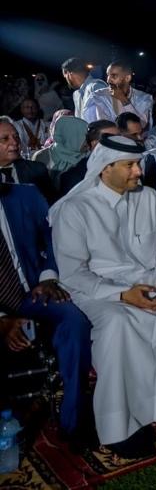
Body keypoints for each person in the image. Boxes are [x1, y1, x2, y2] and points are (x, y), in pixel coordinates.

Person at [50, 135, 156, 458]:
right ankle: (119, 426)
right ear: (105, 168)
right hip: (99, 292)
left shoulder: (148, 198)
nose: (139, 171)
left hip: (149, 282)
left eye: (138, 163)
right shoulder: (75, 209)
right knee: (118, 324)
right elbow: (73, 274)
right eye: (130, 165)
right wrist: (123, 295)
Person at [1, 181, 95, 450]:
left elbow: (55, 237)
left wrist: (48, 277)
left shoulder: (24, 194)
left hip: (33, 293)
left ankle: (73, 421)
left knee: (74, 320)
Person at [82, 59, 154, 128]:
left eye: (114, 76)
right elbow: (95, 126)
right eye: (107, 75)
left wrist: (124, 100)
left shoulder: (143, 98)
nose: (108, 80)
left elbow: (141, 125)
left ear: (127, 78)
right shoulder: (98, 96)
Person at [0, 118, 55, 204]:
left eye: (16, 136)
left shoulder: (37, 170)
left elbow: (51, 205)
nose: (15, 142)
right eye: (5, 139)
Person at [31, 115, 88, 191]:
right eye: (84, 137)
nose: (88, 142)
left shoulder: (88, 156)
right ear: (72, 136)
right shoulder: (42, 157)